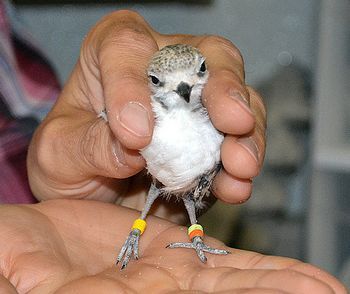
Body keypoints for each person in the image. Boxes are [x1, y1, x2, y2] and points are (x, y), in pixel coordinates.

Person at [0, 5, 346, 293]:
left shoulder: (215, 124)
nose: (182, 89)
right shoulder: (145, 124)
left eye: (196, 73)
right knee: (156, 187)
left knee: (191, 196)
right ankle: (137, 232)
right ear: (149, 85)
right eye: (158, 81)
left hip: (154, 190)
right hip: (119, 195)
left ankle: (193, 236)